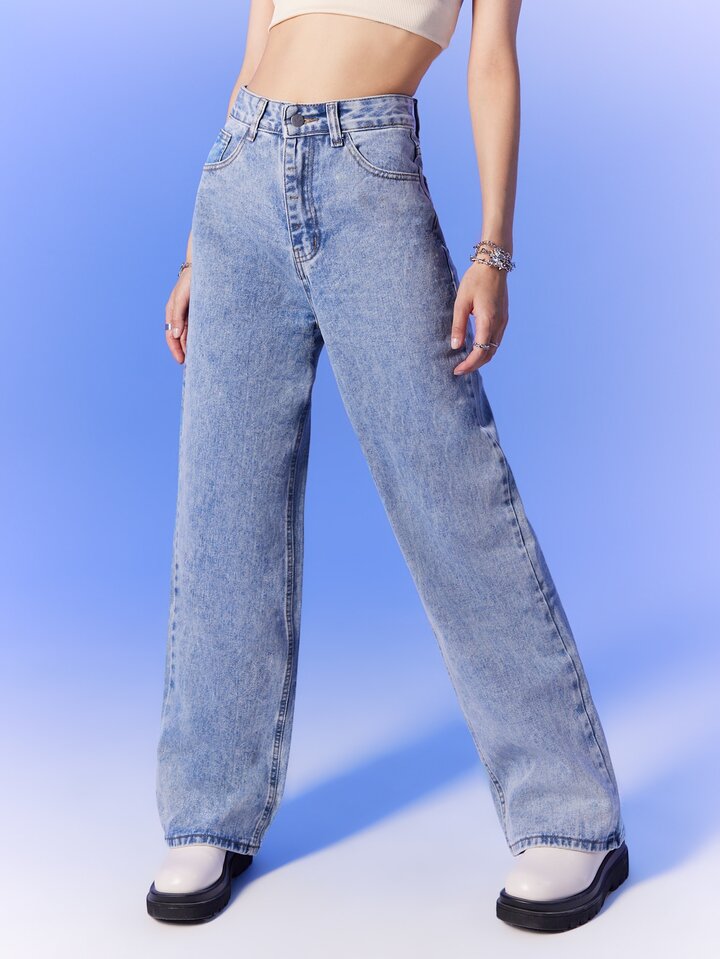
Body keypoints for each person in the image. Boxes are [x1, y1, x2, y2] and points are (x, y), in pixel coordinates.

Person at [146, 0, 629, 932]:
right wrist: (196, 250)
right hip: (242, 172)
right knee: (223, 507)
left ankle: (570, 817)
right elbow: (258, 48)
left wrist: (493, 249)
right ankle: (208, 808)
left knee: (453, 497)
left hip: (368, 172)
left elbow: (492, 60)